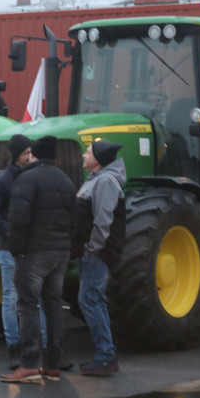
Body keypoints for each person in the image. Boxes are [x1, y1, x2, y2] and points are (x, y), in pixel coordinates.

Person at [1, 136, 76, 383]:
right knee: (53, 306)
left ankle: (30, 364)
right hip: (60, 252)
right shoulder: (66, 181)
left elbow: (18, 219)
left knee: (26, 305)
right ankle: (53, 365)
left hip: (34, 252)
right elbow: (76, 220)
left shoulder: (27, 178)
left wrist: (17, 249)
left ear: (33, 154)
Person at [72, 139, 126, 376]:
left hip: (96, 253)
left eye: (89, 152)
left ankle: (106, 356)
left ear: (99, 159)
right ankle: (106, 355)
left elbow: (103, 220)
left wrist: (92, 248)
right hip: (91, 251)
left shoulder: (104, 181)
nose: (84, 155)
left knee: (89, 300)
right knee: (94, 300)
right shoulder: (95, 179)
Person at [0, 134, 34, 369]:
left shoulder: (34, 177)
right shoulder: (1, 182)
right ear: (17, 155)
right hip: (10, 248)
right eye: (27, 152)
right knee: (11, 298)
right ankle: (14, 347)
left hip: (33, 248)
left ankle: (35, 347)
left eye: (32, 152)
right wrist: (10, 231)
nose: (31, 156)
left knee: (34, 298)